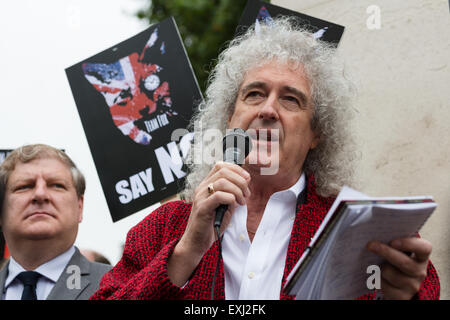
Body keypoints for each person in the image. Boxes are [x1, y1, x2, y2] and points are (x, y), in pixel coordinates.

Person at [90, 17, 439, 300]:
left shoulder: (362, 229)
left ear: (317, 133)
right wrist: (184, 254)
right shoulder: (165, 225)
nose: (268, 110)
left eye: (291, 99)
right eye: (254, 94)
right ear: (229, 118)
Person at [0, 144, 111, 300]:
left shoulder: (119, 285)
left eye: (57, 185)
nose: (40, 194)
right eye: (24, 186)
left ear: (80, 206)